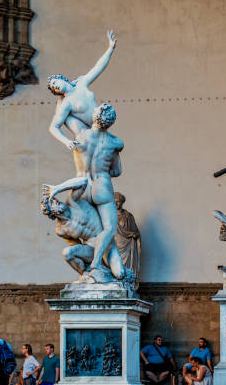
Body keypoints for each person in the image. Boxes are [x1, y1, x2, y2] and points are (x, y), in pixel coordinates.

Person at [43, 103, 125, 282]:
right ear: (111, 122)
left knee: (94, 227)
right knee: (109, 229)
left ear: (94, 116)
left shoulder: (80, 134)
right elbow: (117, 171)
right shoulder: (116, 142)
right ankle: (96, 264)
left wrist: (63, 98)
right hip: (102, 186)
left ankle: (101, 266)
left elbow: (63, 116)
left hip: (83, 183)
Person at [47, 30, 117, 150]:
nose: (55, 86)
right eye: (54, 88)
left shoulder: (81, 83)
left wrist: (110, 48)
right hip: (90, 131)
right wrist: (66, 141)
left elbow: (98, 67)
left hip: (104, 124)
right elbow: (53, 127)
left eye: (55, 82)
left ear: (62, 78)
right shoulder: (67, 103)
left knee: (118, 145)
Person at [114, 192, 141, 280]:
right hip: (115, 245)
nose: (116, 203)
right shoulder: (109, 216)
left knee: (128, 269)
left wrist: (135, 235)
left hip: (128, 247)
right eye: (114, 201)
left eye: (118, 201)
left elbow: (135, 231)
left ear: (122, 202)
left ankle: (127, 282)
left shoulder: (128, 216)